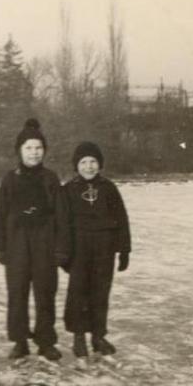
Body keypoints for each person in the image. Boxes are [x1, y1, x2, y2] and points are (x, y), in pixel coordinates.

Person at [0, 118, 64, 361]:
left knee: (45, 292)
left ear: (44, 151)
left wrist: (61, 247)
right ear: (19, 151)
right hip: (17, 245)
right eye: (29, 148)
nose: (34, 153)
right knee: (17, 293)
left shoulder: (50, 179)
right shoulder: (10, 180)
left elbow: (62, 215)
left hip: (44, 243)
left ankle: (45, 341)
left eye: (38, 148)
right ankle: (20, 340)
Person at [59, 141, 131, 358]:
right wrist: (63, 253)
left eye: (93, 162)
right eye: (83, 162)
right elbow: (62, 223)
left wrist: (124, 250)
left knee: (101, 292)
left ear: (99, 165)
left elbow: (121, 219)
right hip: (79, 250)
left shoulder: (109, 188)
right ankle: (79, 336)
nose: (88, 166)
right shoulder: (68, 190)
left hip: (104, 250)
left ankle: (98, 336)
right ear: (76, 165)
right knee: (78, 292)